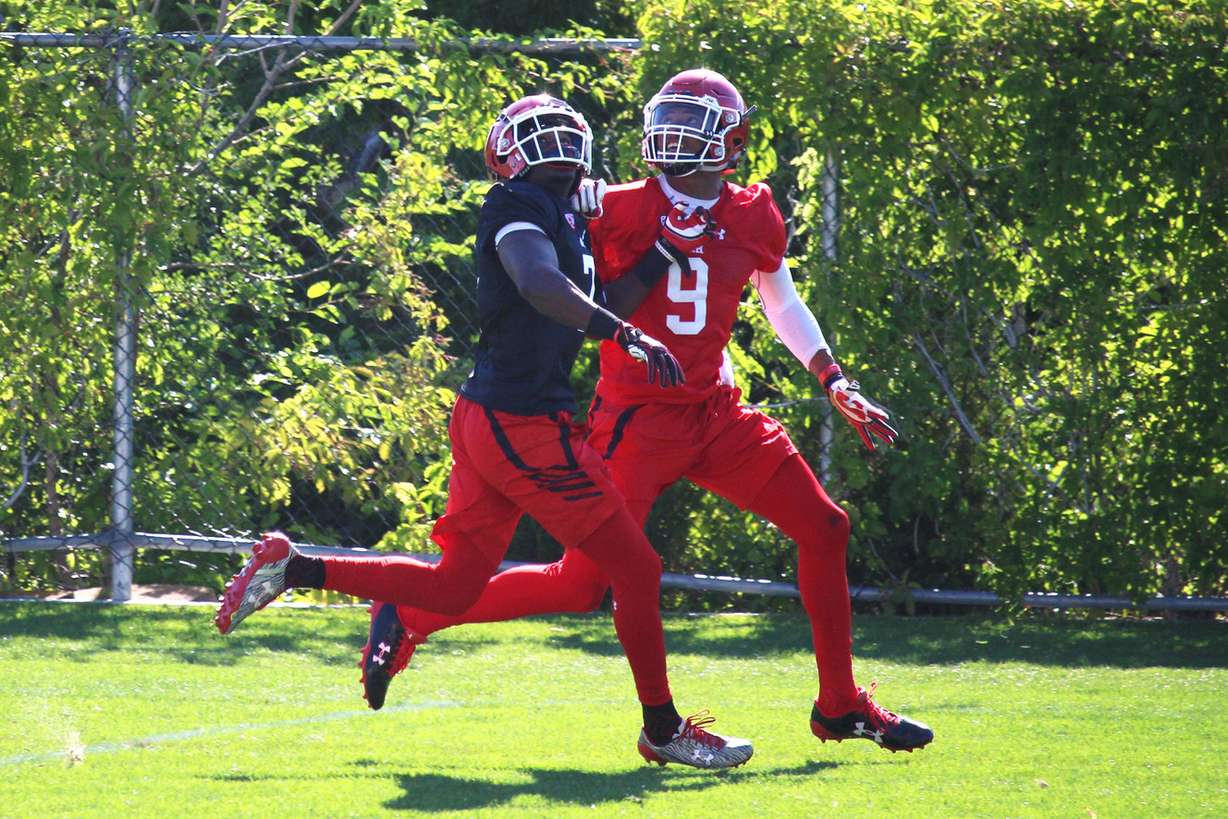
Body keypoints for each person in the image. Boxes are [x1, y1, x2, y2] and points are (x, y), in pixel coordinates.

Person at [361, 70, 933, 754]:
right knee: (581, 584)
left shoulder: (754, 212)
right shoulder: (616, 206)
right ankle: (415, 614)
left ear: (731, 139)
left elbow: (779, 298)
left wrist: (831, 377)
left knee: (825, 525)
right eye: (671, 117)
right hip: (635, 418)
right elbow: (547, 228)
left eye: (693, 121)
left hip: (716, 411)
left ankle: (839, 704)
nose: (675, 133)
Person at [214, 93, 753, 770]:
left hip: (500, 419)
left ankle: (292, 566)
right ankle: (663, 728)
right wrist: (624, 333)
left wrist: (657, 259)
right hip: (520, 423)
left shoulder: (563, 214)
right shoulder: (514, 206)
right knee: (636, 566)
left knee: (452, 590)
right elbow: (536, 283)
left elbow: (591, 300)